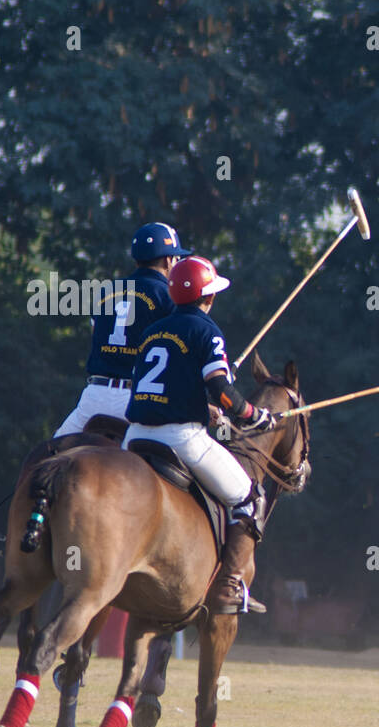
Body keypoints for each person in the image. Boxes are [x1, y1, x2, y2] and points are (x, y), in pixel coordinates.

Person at [122, 255, 276, 614]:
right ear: (207, 297)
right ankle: (229, 586)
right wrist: (253, 415)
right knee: (250, 500)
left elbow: (155, 386)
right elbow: (221, 389)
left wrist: (200, 402)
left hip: (133, 437)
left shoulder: (153, 330)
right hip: (180, 438)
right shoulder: (207, 331)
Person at [53, 222, 191, 438]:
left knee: (49, 456)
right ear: (167, 260)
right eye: (177, 258)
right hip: (139, 400)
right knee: (188, 464)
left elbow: (96, 335)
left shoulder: (108, 291)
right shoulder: (169, 296)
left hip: (93, 398)